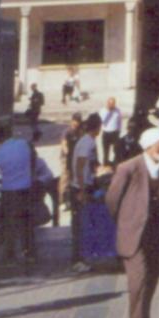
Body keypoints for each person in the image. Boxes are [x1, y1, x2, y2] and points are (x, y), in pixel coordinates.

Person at [105, 125, 159, 318]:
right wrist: (125, 221)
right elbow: (112, 200)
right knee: (138, 279)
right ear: (150, 146)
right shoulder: (128, 168)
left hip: (156, 232)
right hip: (133, 235)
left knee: (152, 279)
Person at [0, 121, 36, 265]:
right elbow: (33, 158)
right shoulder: (23, 145)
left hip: (8, 192)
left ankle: (10, 251)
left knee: (10, 223)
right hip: (26, 189)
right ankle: (29, 252)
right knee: (26, 223)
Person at [70, 112, 103, 272]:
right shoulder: (88, 143)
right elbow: (80, 165)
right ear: (97, 128)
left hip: (83, 185)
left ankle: (82, 257)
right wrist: (82, 190)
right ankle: (77, 260)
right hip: (80, 187)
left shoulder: (87, 141)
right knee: (80, 226)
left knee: (83, 224)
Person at [57, 113, 82, 229]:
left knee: (74, 178)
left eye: (78, 121)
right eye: (75, 121)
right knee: (65, 179)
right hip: (66, 158)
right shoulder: (67, 131)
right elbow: (64, 143)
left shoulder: (80, 131)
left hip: (75, 157)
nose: (76, 123)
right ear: (72, 121)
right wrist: (66, 152)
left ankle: (71, 200)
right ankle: (62, 201)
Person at [100, 98, 123, 167]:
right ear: (107, 103)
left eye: (112, 104)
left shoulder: (118, 111)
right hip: (106, 133)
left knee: (116, 150)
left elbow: (119, 121)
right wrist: (108, 111)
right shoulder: (102, 111)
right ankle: (105, 164)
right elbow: (102, 121)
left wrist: (119, 130)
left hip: (115, 133)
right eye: (109, 104)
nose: (111, 105)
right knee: (106, 151)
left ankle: (115, 164)